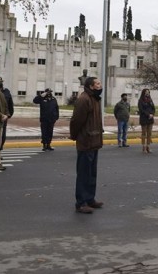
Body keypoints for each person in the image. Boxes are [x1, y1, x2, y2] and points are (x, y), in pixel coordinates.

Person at [69, 77, 104, 214]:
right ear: (91, 86)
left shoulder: (95, 99)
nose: (100, 86)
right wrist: (75, 135)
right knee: (84, 174)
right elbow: (76, 120)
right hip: (86, 141)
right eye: (97, 83)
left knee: (91, 173)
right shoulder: (84, 99)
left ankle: (90, 199)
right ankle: (81, 202)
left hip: (94, 141)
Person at [138, 88, 155, 154]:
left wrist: (152, 114)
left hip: (150, 119)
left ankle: (148, 146)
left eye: (148, 92)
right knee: (144, 133)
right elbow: (141, 109)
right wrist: (148, 114)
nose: (147, 93)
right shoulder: (141, 100)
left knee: (149, 133)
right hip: (144, 118)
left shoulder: (150, 100)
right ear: (143, 93)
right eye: (146, 92)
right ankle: (143, 146)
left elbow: (153, 108)